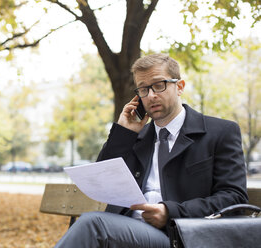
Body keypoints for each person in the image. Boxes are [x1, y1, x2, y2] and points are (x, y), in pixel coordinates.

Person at [54, 53, 248, 248]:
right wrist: (123, 133)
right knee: (94, 225)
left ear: (179, 87)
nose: (151, 95)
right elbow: (102, 178)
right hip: (124, 230)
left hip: (178, 235)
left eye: (159, 85)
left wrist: (170, 212)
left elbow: (234, 196)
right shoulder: (136, 136)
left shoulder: (220, 132)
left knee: (93, 225)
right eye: (143, 89)